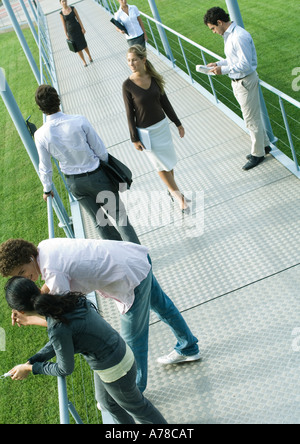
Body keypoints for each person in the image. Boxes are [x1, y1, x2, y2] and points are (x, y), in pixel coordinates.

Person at [0, 237, 201, 393]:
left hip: (130, 278)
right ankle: (188, 347)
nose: (25, 277)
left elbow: (65, 320)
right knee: (163, 307)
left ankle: (135, 392)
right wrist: (28, 301)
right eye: (18, 276)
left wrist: (28, 318)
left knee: (133, 341)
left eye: (22, 271)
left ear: (28, 258)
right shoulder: (44, 248)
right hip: (135, 259)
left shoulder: (52, 271)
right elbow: (52, 288)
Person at [4, 276, 167, 424]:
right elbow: (61, 340)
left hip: (117, 370)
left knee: (141, 410)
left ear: (22, 311)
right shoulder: (59, 300)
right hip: (115, 355)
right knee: (106, 403)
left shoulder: (57, 326)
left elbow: (64, 368)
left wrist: (30, 368)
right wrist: (32, 360)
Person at [34, 84, 140, 245]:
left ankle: (121, 258)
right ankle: (138, 257)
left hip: (75, 184)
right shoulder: (79, 121)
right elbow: (101, 151)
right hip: (97, 176)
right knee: (119, 216)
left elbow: (45, 167)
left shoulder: (40, 134)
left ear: (40, 107)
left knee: (100, 222)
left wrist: (47, 189)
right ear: (58, 100)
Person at [122, 45, 190, 213]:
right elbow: (129, 114)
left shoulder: (154, 78)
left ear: (143, 60)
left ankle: (172, 190)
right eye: (129, 60)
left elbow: (165, 102)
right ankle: (179, 197)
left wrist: (177, 123)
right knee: (160, 165)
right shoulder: (127, 85)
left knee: (168, 162)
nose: (131, 63)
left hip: (162, 128)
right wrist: (134, 138)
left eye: (134, 60)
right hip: (146, 133)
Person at [203, 7, 271, 170]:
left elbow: (245, 64)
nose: (213, 32)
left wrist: (223, 70)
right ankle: (265, 146)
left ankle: (258, 154)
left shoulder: (239, 36)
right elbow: (233, 59)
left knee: (250, 120)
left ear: (219, 22)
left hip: (245, 82)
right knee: (252, 117)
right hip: (239, 81)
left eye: (213, 28)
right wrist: (219, 64)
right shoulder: (229, 35)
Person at [59, 0, 93, 67]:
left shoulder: (72, 8)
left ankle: (89, 56)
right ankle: (84, 61)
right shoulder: (61, 13)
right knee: (77, 48)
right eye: (62, 1)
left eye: (65, 1)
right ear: (60, 3)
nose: (64, 2)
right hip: (71, 32)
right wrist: (66, 34)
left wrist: (82, 28)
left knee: (84, 44)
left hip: (78, 28)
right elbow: (64, 25)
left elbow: (78, 19)